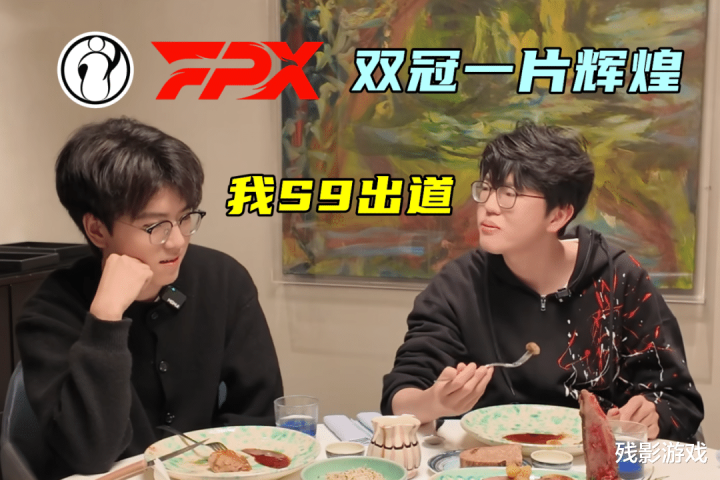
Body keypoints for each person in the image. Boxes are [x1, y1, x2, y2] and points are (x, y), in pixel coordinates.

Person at [380, 120, 703, 443]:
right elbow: (401, 395)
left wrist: (653, 413)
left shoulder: (620, 278)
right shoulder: (459, 285)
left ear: (558, 215)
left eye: (509, 194)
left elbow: (679, 400)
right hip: (492, 461)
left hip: (596, 460)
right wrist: (436, 401)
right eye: (486, 189)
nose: (488, 206)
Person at [15, 117, 283, 479]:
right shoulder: (50, 311)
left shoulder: (224, 280)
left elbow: (258, 417)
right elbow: (89, 456)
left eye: (185, 217)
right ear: (97, 229)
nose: (178, 241)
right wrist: (106, 319)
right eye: (154, 226)